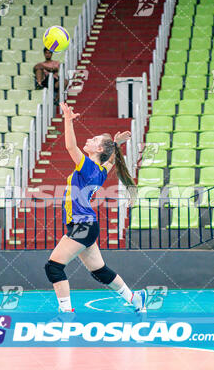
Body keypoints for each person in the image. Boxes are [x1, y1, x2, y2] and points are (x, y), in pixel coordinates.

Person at [44, 102, 146, 314]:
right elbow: (110, 162)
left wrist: (68, 120)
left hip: (82, 226)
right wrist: (116, 144)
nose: (88, 140)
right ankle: (135, 299)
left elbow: (70, 147)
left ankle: (65, 312)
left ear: (98, 149)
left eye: (94, 140)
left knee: (54, 267)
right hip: (85, 226)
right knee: (99, 271)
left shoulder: (89, 166)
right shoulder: (99, 170)